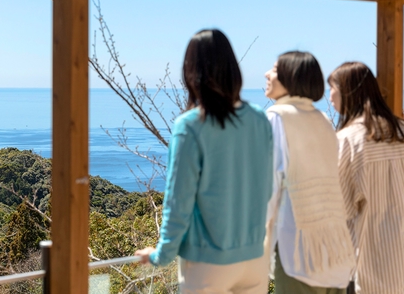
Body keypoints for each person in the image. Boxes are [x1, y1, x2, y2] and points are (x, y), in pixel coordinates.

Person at [135, 29, 273, 294]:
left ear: (191, 71)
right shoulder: (258, 119)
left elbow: (178, 203)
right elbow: (266, 189)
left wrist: (160, 255)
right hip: (255, 256)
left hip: (207, 262)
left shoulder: (190, 126)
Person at [328, 62, 404, 294]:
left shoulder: (349, 141)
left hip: (379, 271)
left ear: (348, 92)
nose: (329, 96)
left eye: (332, 88)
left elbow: (340, 208)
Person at [263, 52, 355, 294]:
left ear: (290, 77)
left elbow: (267, 189)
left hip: (298, 251)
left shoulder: (276, 118)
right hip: (334, 249)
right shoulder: (321, 118)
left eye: (273, 69)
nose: (267, 74)